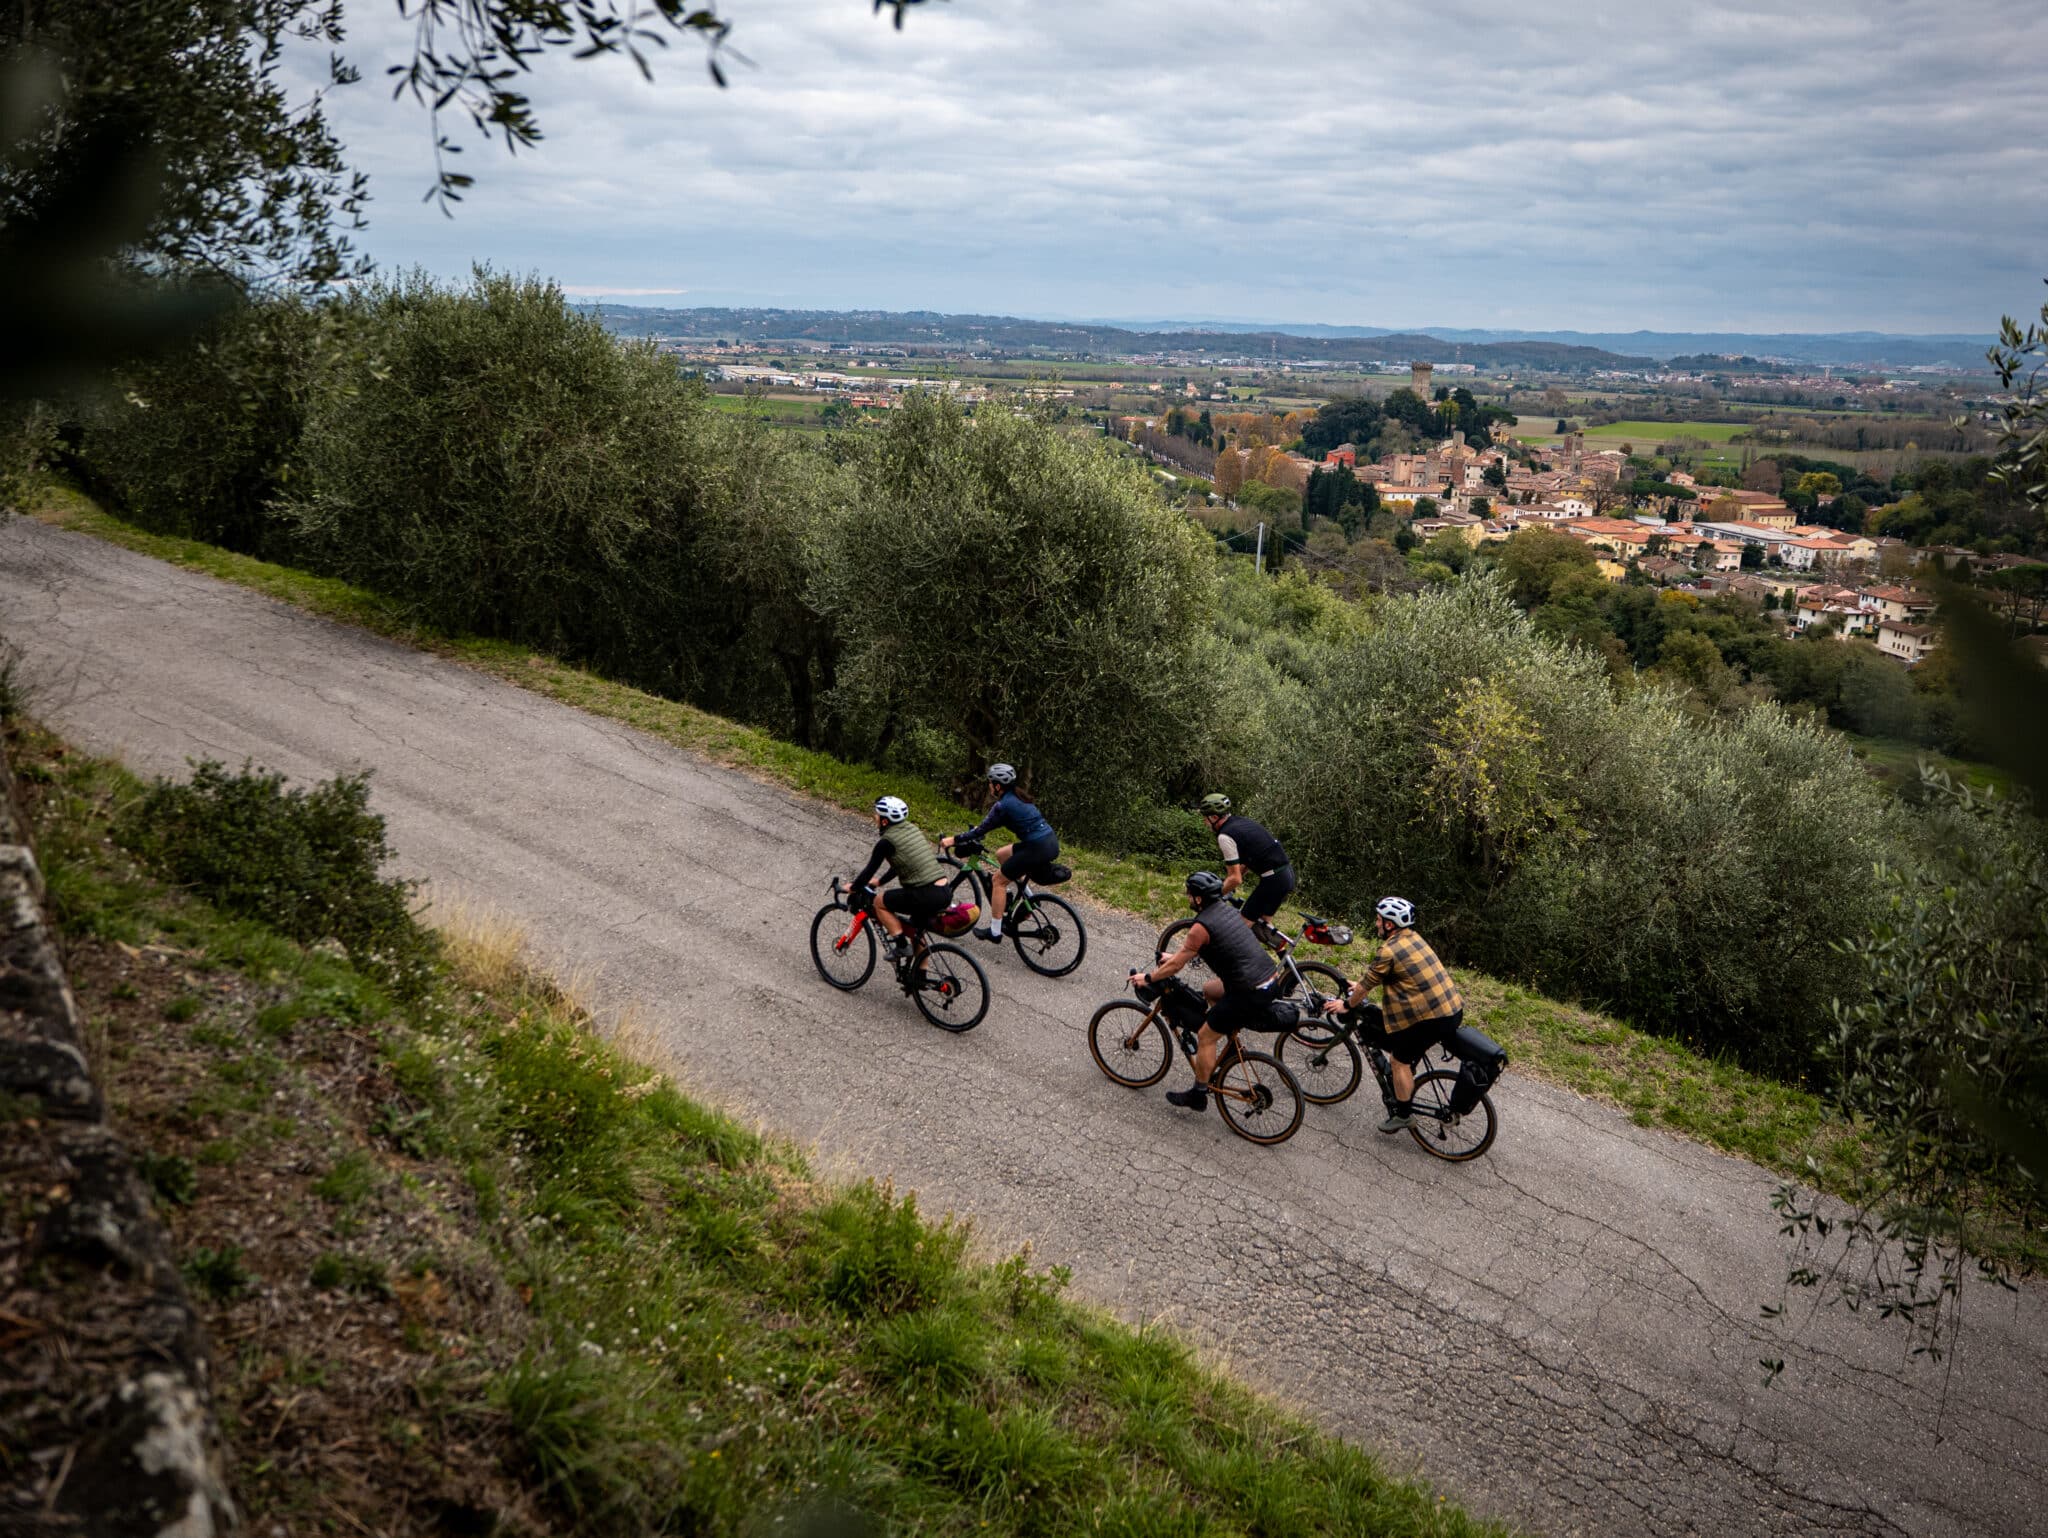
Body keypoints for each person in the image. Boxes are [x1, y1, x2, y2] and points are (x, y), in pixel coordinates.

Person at [1133, 870, 1283, 1113]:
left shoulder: (1200, 927)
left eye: (1190, 894)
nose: (1187, 897)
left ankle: (1199, 1093)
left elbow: (1177, 965)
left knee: (1205, 1035)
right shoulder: (1227, 912)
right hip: (1269, 979)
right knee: (1209, 990)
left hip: (1249, 991)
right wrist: (1174, 956)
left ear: (1199, 899)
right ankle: (1221, 1039)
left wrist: (1147, 977)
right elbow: (1209, 949)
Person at [1325, 896, 1464, 1132]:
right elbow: (1382, 978)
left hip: (1431, 1018)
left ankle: (1403, 1114)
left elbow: (1368, 984)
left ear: (1390, 925)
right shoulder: (1415, 938)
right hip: (1452, 1010)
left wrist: (1346, 1005)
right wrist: (1359, 986)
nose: (1376, 923)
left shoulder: (1388, 950)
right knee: (1404, 1049)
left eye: (1379, 920)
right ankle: (1406, 1080)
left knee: (1398, 1061)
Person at [940, 762, 1057, 944]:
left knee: (998, 881)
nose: (989, 785)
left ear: (997, 786)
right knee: (1002, 855)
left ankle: (995, 932)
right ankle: (1030, 901)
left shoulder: (1003, 806)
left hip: (1036, 848)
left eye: (990, 782)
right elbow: (987, 825)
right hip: (1049, 842)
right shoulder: (1018, 797)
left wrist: (953, 839)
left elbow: (980, 831)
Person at [848, 795, 951, 959]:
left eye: (877, 815)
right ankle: (921, 976)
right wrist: (879, 881)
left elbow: (869, 869)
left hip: (926, 894)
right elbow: (900, 865)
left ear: (884, 821)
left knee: (879, 902)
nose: (875, 817)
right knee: (916, 932)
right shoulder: (912, 830)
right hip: (944, 890)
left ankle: (901, 945)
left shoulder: (887, 842)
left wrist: (853, 888)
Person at [1198, 793, 1296, 936]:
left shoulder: (1225, 836)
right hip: (1285, 875)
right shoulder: (1241, 823)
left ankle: (1236, 957)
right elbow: (1249, 860)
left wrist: (1212, 896)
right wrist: (1228, 885)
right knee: (1263, 928)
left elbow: (1235, 878)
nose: (1204, 823)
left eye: (1205, 818)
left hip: (1273, 881)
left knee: (1240, 929)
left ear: (1214, 817)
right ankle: (1284, 957)